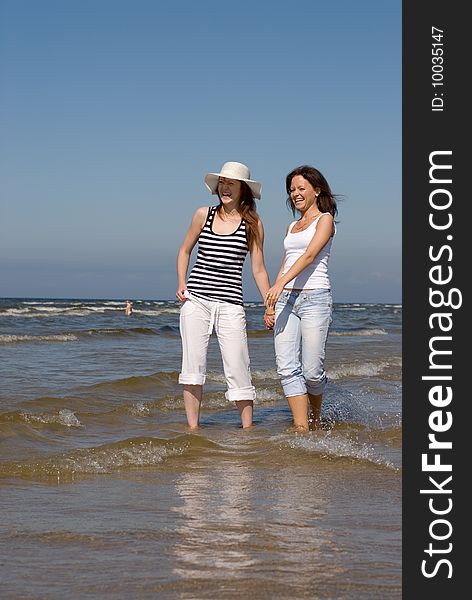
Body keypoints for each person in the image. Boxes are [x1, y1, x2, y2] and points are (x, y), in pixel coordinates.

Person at [176, 161, 272, 429]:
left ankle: (248, 430)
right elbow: (185, 250)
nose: (225, 188)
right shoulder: (202, 215)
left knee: (238, 367)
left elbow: (259, 268)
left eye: (231, 183)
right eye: (222, 182)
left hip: (231, 304)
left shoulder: (253, 224)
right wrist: (182, 283)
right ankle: (193, 430)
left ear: (243, 189)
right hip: (197, 301)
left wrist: (269, 305)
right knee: (192, 367)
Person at [265, 165, 338, 432]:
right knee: (286, 367)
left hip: (315, 300)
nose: (295, 193)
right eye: (292, 190)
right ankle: (301, 425)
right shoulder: (292, 226)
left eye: (300, 188)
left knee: (311, 371)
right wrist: (272, 301)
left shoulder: (325, 220)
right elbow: (287, 262)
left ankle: (315, 415)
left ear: (316, 190)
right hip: (286, 300)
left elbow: (308, 256)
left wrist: (280, 284)